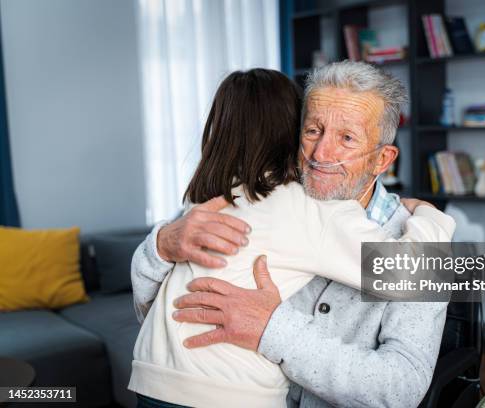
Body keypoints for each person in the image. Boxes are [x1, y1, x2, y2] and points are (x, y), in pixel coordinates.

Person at [131, 62, 454, 408]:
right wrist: (161, 244)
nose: (320, 155)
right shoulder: (257, 193)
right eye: (313, 130)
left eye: (346, 138)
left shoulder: (421, 252)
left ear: (382, 159)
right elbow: (149, 304)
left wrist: (273, 328)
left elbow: (400, 389)